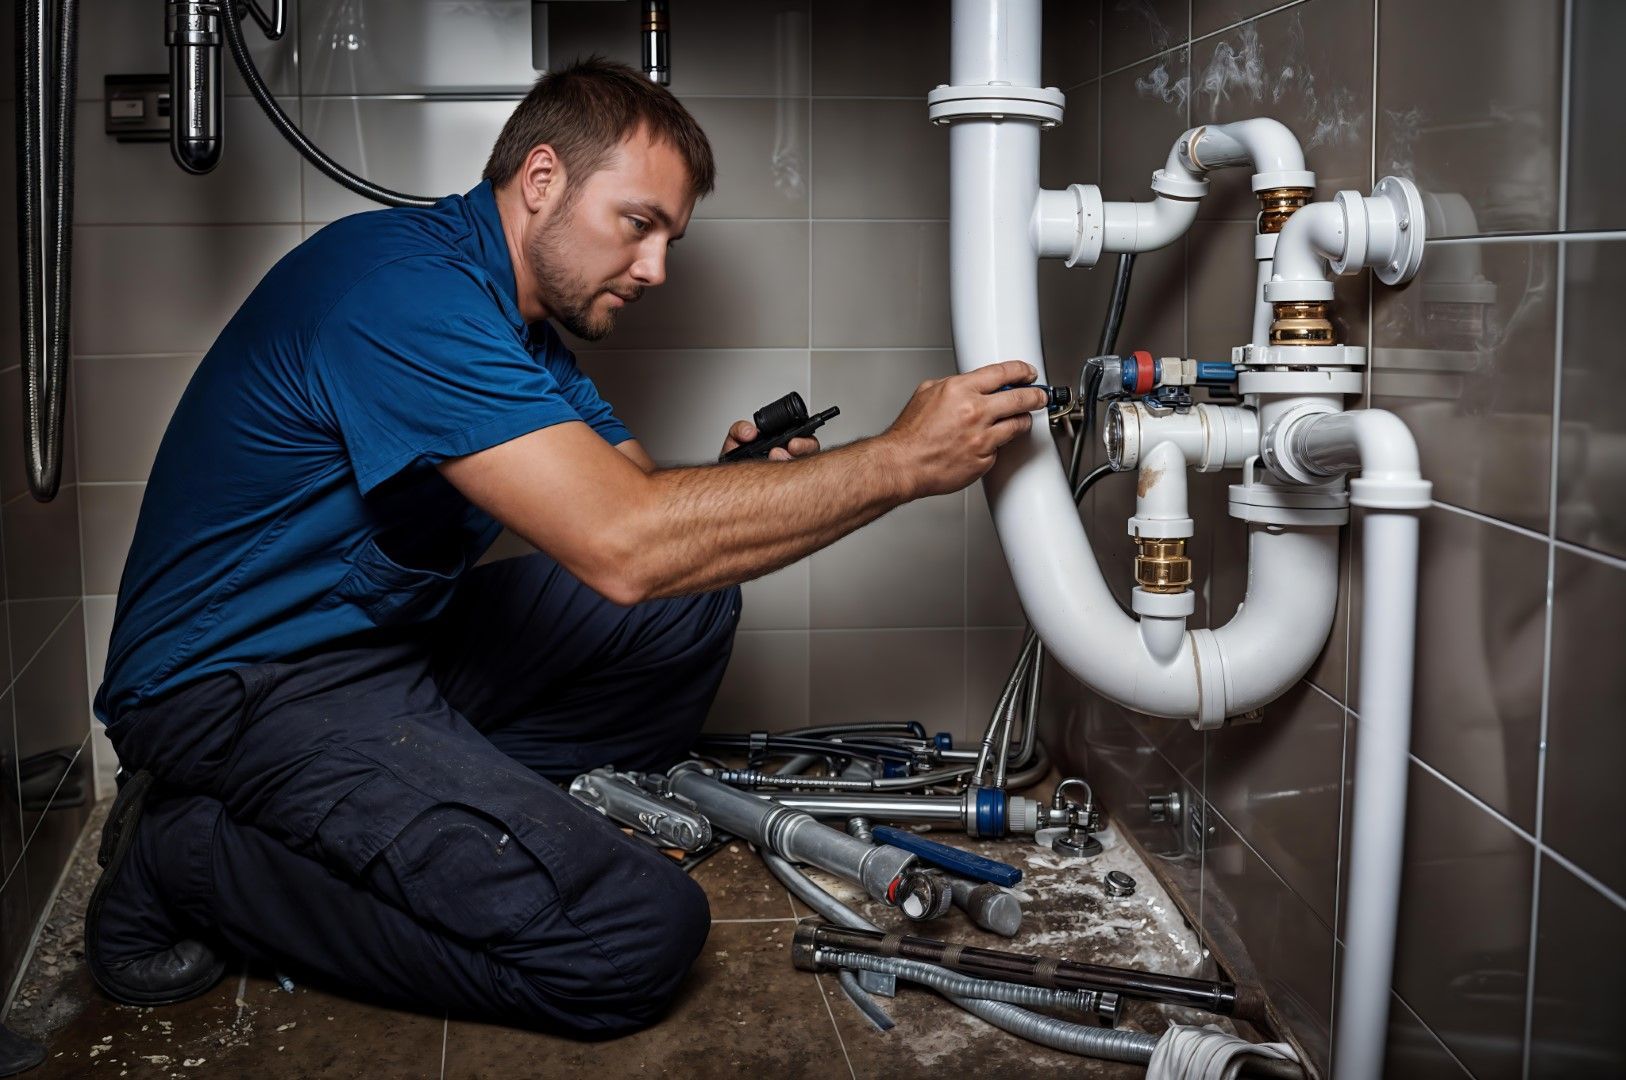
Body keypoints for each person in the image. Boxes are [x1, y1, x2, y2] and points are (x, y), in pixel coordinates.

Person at [86, 57, 1045, 1036]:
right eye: (639, 225)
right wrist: (897, 463)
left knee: (688, 604)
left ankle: (453, 813)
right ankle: (188, 853)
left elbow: (638, 502)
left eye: (671, 238)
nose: (656, 268)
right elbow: (627, 543)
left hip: (385, 655)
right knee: (634, 937)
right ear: (541, 180)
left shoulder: (522, 337)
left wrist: (742, 476)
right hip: (236, 691)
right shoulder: (405, 296)